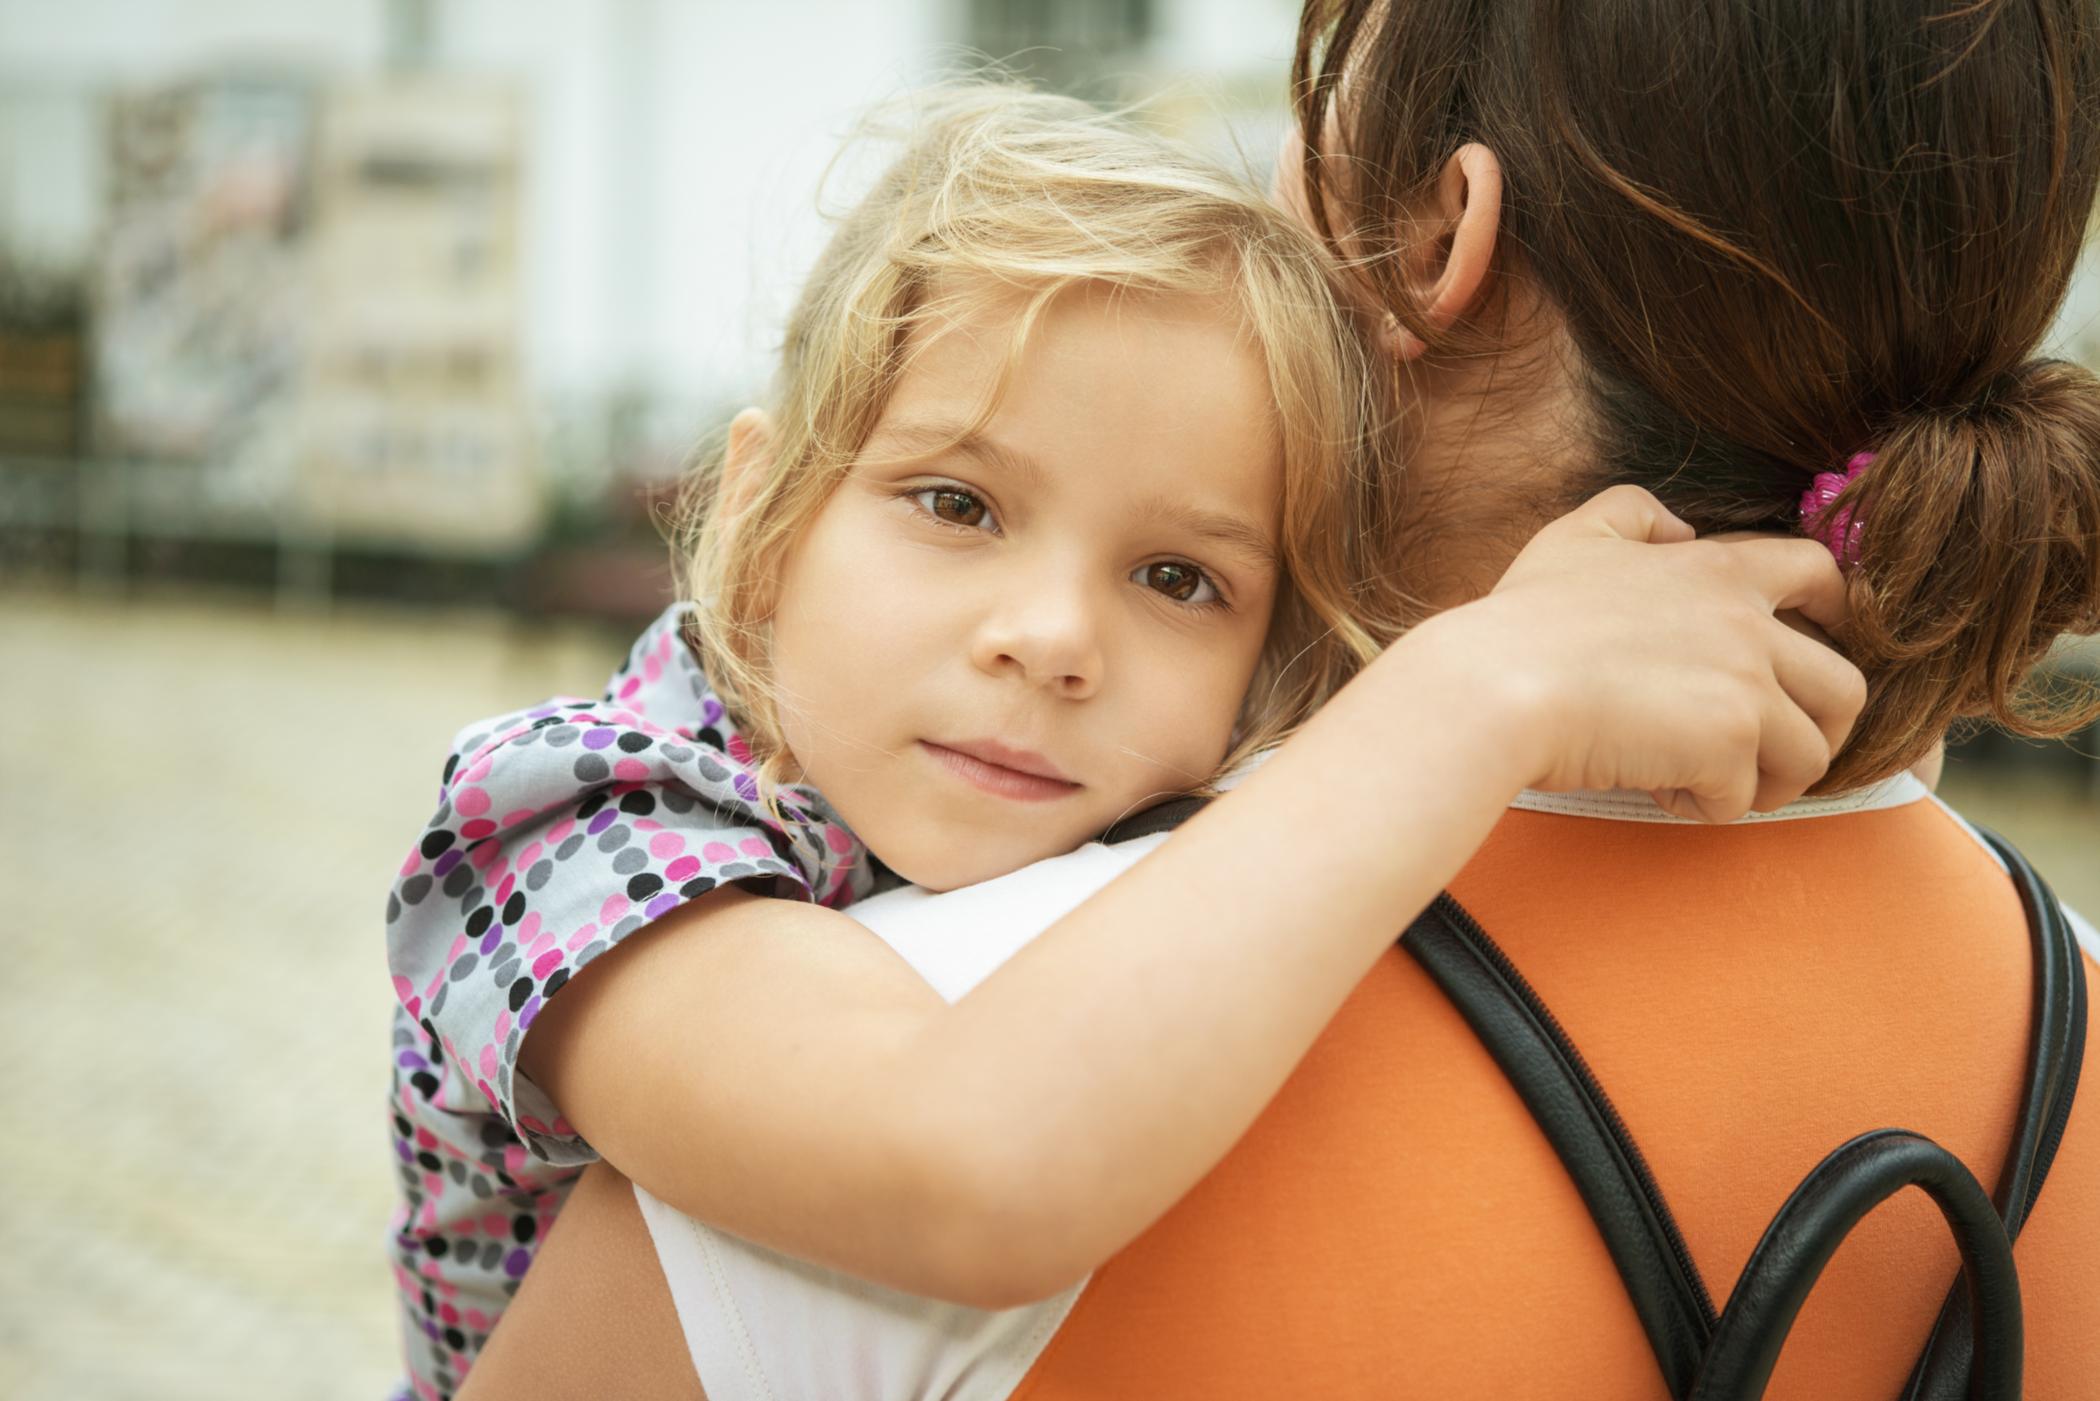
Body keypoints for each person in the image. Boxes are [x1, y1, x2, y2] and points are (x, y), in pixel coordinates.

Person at [452, 1, 2100, 1398]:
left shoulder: (961, 1004)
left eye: (1177, 575)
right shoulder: (597, 835)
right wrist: (1482, 688)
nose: (1052, 640)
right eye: (956, 503)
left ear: (1433, 240)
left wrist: (1477, 690)